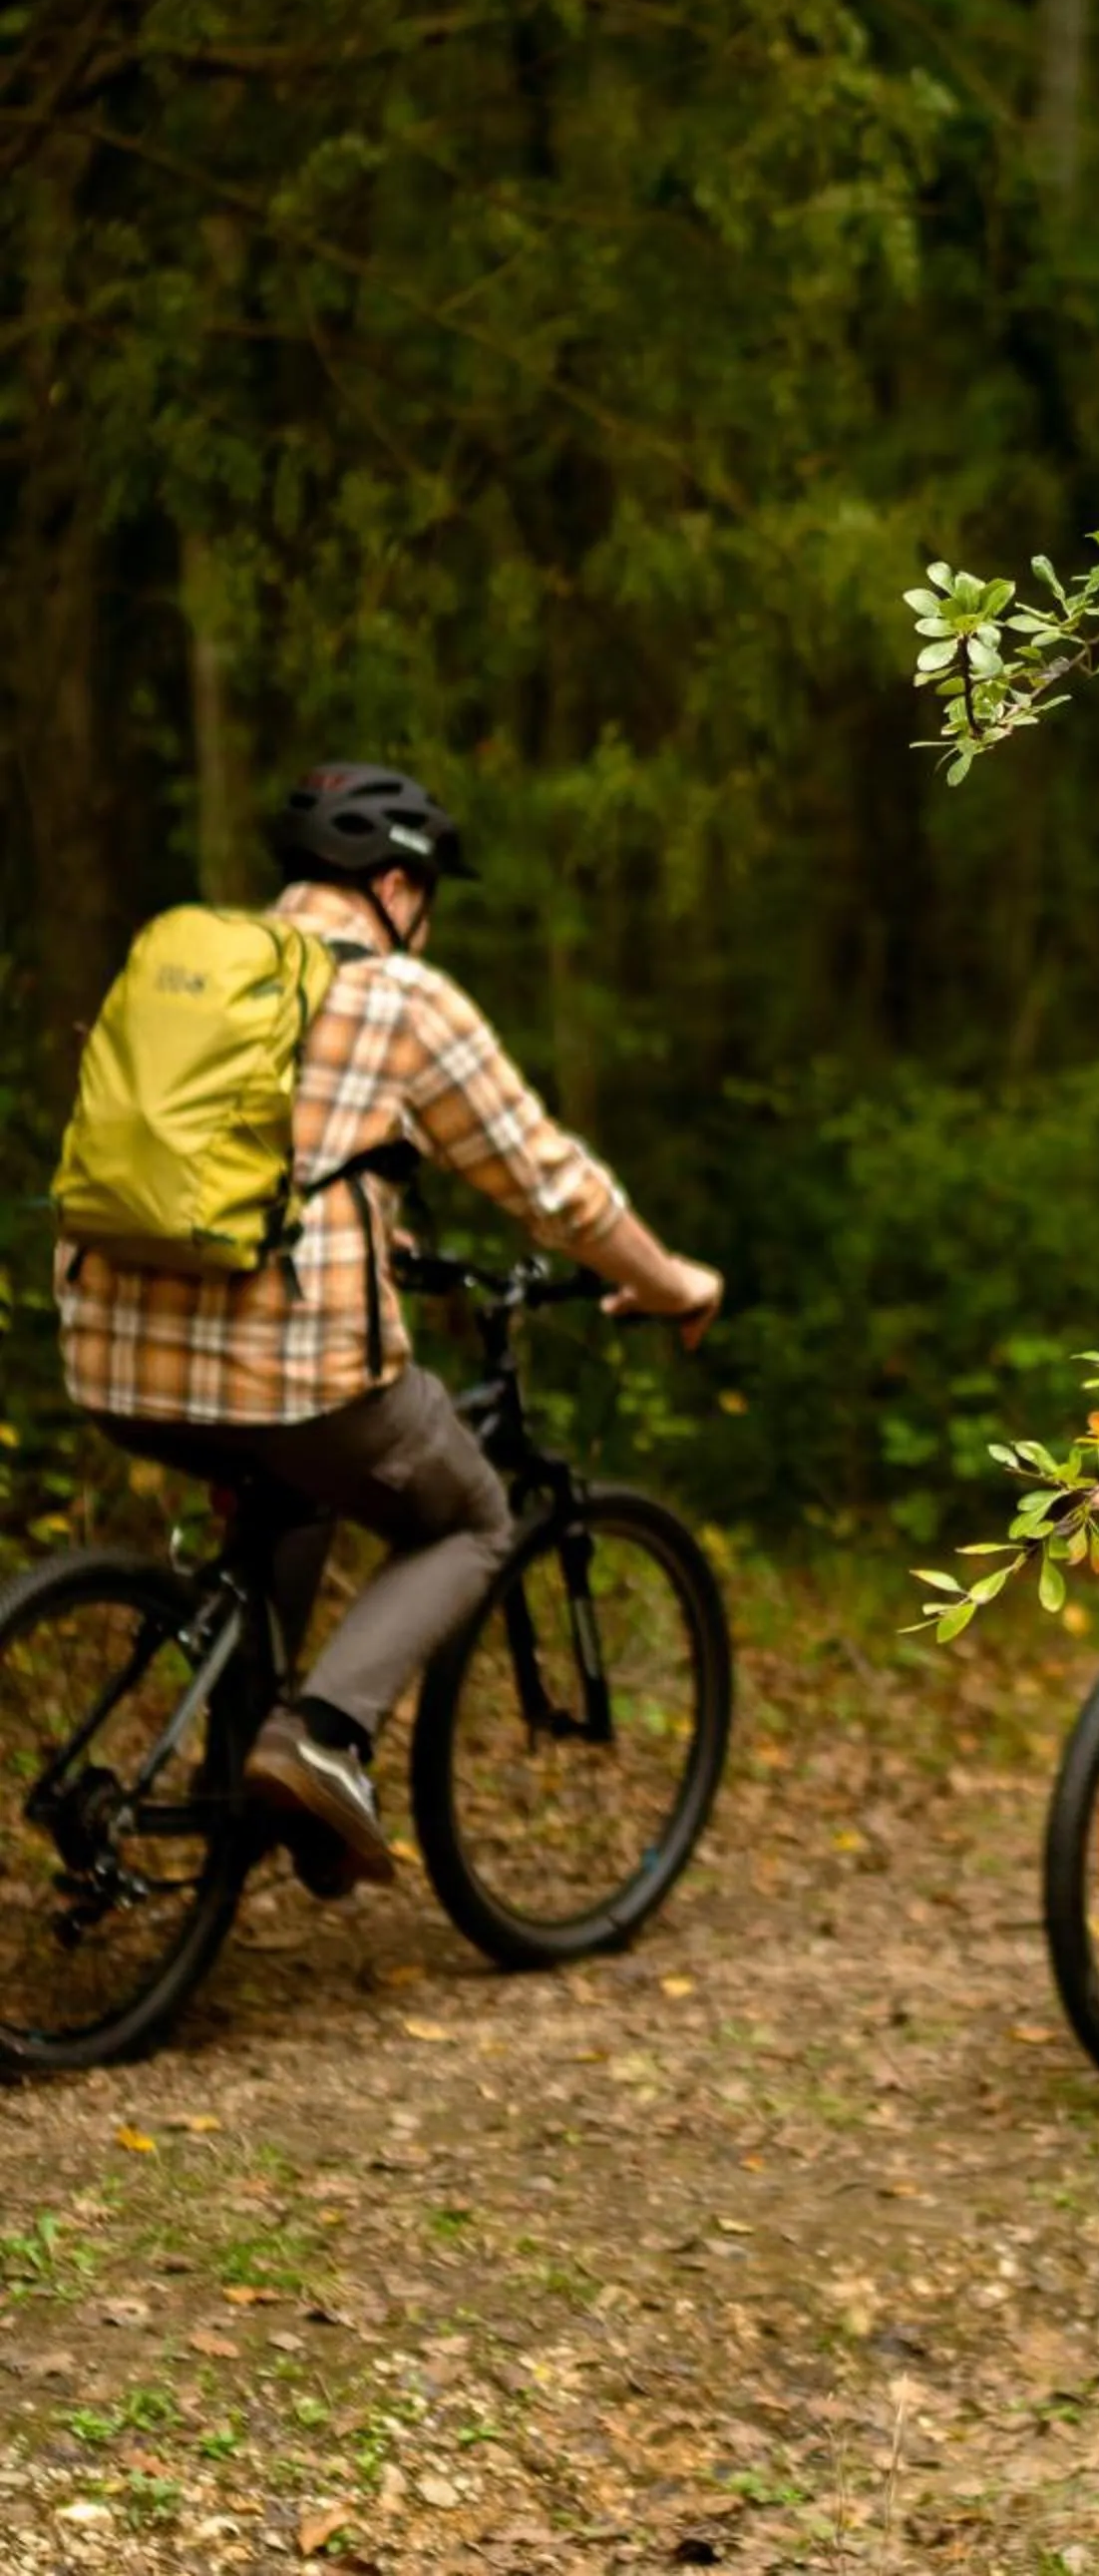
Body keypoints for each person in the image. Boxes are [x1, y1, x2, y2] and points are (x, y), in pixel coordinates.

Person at [57, 763, 723, 1895]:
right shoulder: (402, 999)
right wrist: (665, 1282)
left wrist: (385, 1246)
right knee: (468, 1515)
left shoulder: (187, 970)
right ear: (399, 884)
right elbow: (550, 1187)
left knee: (295, 1482)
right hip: (289, 1373)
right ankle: (317, 1738)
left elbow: (246, 1173)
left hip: (110, 1352)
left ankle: (240, 1777)